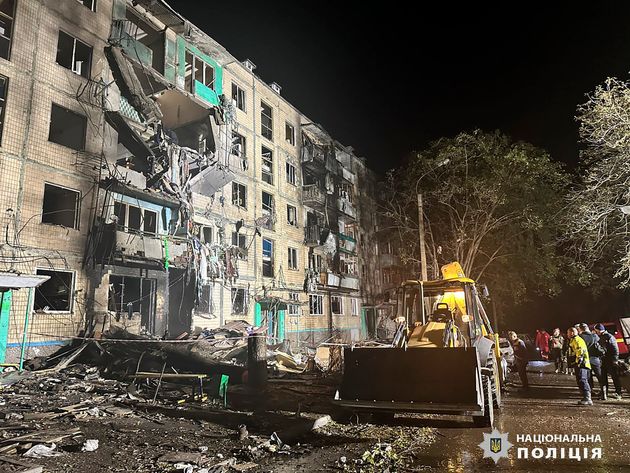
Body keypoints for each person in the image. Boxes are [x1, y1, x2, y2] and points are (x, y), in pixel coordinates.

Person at [593, 323, 622, 400]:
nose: (595, 332)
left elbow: (615, 349)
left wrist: (615, 360)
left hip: (610, 360)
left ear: (599, 330)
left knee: (614, 376)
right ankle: (604, 392)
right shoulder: (600, 337)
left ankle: (618, 392)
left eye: (596, 330)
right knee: (603, 377)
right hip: (603, 360)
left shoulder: (609, 337)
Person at [578, 323, 606, 399]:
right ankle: (604, 393)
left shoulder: (580, 337)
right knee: (600, 377)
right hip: (596, 360)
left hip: (586, 360)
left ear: (580, 329)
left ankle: (590, 392)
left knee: (587, 377)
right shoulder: (595, 336)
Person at [567, 326, 592, 405]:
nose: (567, 334)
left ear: (572, 333)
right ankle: (586, 397)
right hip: (580, 363)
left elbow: (580, 351)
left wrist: (578, 362)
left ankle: (587, 398)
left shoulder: (577, 340)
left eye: (568, 332)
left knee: (582, 379)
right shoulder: (574, 340)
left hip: (582, 364)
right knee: (581, 380)